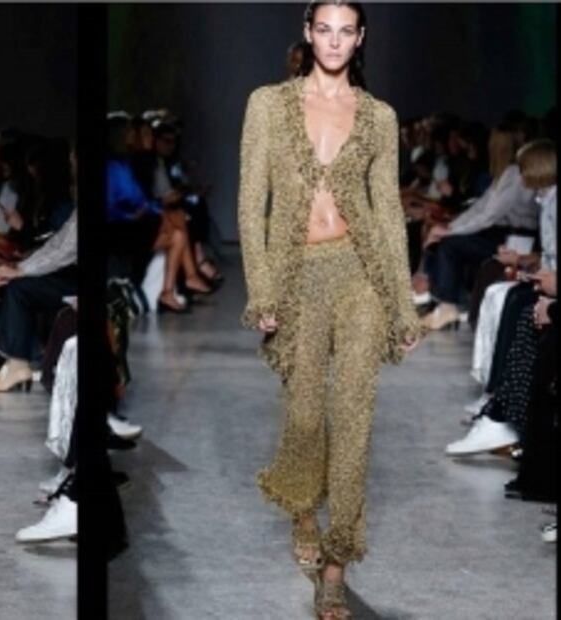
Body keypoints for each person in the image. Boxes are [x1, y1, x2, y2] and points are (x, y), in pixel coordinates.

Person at [238, 2, 420, 618]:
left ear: (360, 37)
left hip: (359, 273)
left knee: (354, 419)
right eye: (324, 29)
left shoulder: (378, 117)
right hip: (297, 276)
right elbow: (251, 204)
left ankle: (337, 564)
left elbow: (388, 212)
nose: (335, 41)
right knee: (306, 416)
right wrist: (263, 290)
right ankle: (302, 509)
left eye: (346, 31)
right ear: (308, 33)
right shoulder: (268, 105)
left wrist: (402, 304)